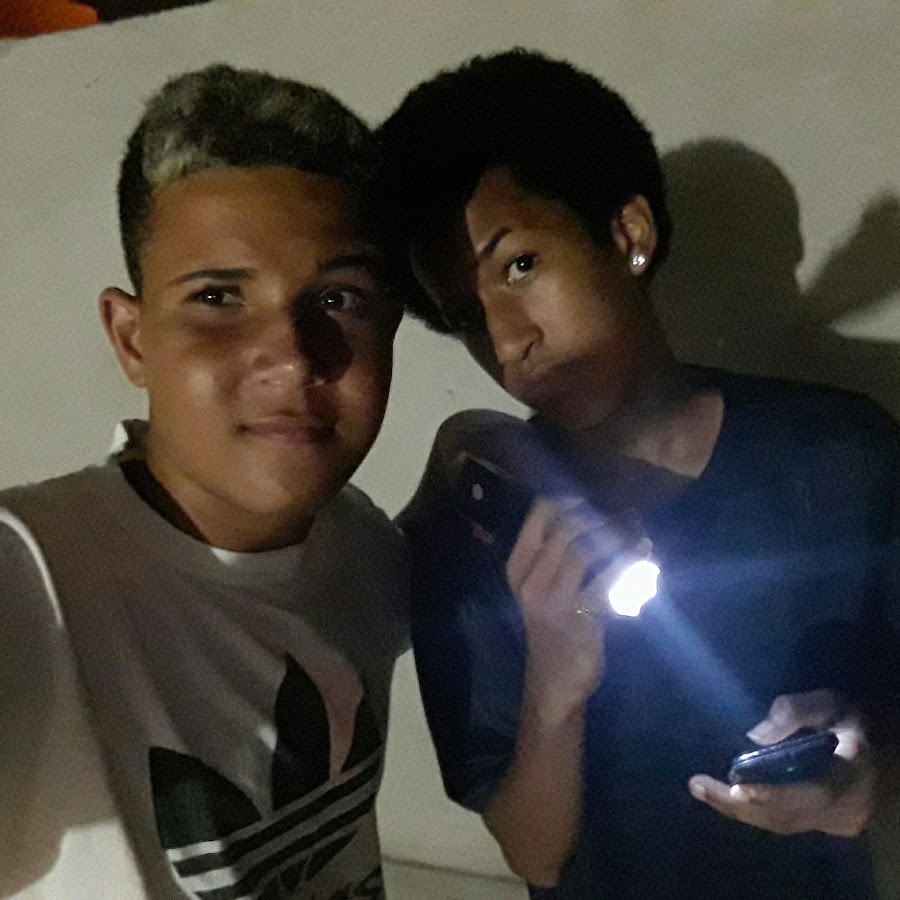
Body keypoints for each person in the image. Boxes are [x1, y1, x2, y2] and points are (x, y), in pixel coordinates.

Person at [376, 49, 899, 898]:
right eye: (468, 313)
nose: (508, 340)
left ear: (628, 236)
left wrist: (859, 776)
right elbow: (533, 855)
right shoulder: (474, 526)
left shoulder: (841, 454)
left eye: (521, 266)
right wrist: (556, 681)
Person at [0, 64, 407, 898]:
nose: (291, 357)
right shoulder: (29, 580)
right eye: (219, 297)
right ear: (132, 338)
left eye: (338, 300)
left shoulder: (366, 547)